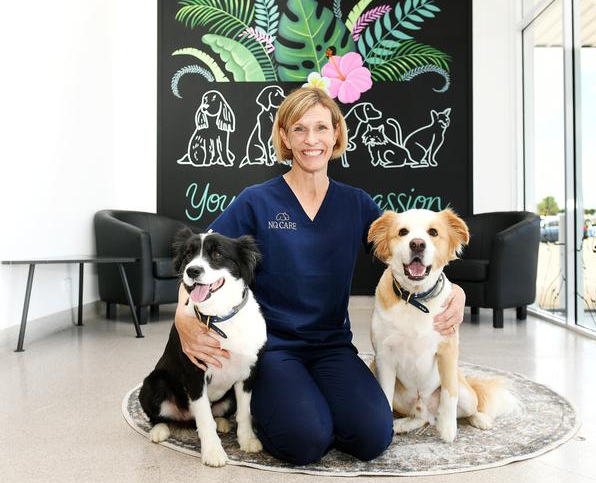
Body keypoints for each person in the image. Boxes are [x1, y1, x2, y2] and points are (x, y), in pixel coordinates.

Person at [174, 87, 466, 465]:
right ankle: (272, 406)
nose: (311, 140)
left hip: (332, 346)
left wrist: (454, 290)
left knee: (373, 437)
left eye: (321, 128)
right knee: (306, 442)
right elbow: (202, 256)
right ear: (284, 137)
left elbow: (407, 249)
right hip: (273, 347)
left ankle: (308, 404)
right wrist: (183, 315)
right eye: (299, 129)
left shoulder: (356, 203)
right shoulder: (256, 200)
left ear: (336, 134)